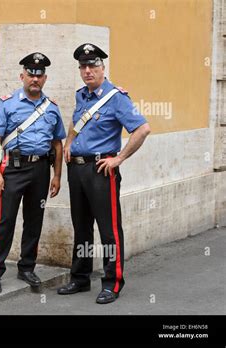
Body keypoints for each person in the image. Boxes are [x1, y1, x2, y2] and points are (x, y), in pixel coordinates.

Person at [57, 43, 151, 304]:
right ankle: (80, 277)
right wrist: (68, 143)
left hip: (101, 170)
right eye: (83, 67)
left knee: (108, 230)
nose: (87, 71)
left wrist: (119, 159)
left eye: (92, 66)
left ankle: (113, 281)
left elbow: (142, 129)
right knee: (81, 227)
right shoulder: (81, 96)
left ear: (102, 68)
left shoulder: (117, 97)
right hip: (76, 169)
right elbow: (77, 123)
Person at [0, 52, 66, 293]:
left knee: (34, 219)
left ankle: (27, 267)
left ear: (45, 79)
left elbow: (57, 145)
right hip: (13, 169)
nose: (35, 79)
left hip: (41, 169)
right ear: (22, 76)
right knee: (6, 219)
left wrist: (57, 175)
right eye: (31, 74)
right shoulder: (7, 104)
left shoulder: (51, 108)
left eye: (39, 75)